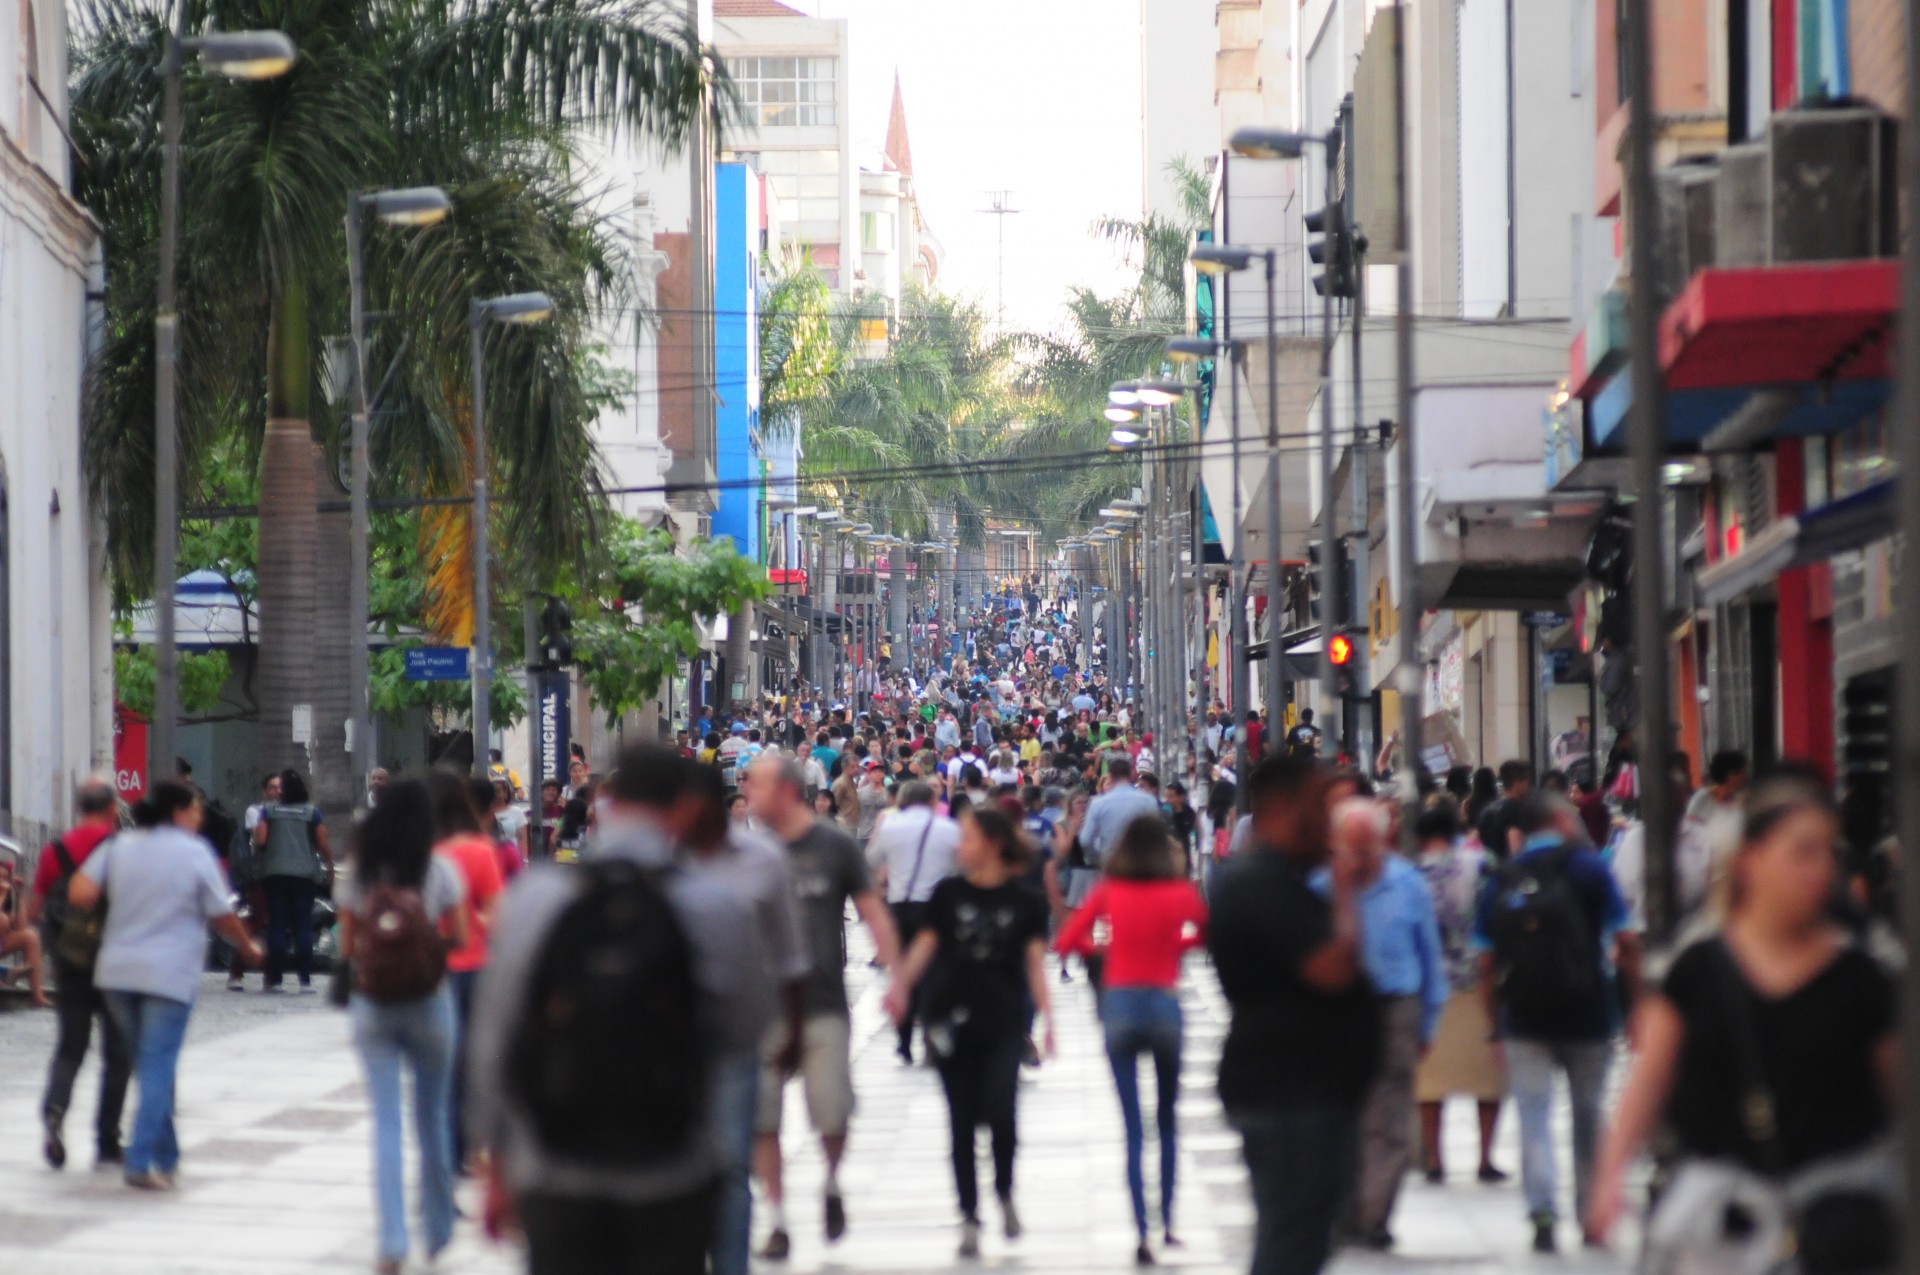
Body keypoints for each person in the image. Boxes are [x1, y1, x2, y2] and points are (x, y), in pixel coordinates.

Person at [467, 745, 762, 1275]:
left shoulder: (539, 898)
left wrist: (499, 1163)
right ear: (685, 809)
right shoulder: (716, 907)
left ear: (609, 804)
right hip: (672, 1169)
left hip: (557, 1168)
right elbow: (744, 1034)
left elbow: (495, 1038)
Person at [1587, 774, 1898, 1256]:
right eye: (1802, 852)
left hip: (1841, 1221)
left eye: (1826, 852)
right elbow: (1649, 1077)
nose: (1819, 870)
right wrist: (1610, 1177)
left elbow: (1898, 1087)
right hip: (1723, 1225)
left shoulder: (1862, 972)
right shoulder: (1695, 967)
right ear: (1751, 859)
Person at [1206, 757, 1378, 1275]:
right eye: (1325, 807)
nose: (1334, 823)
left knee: (1304, 1240)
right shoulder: (1259, 883)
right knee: (1290, 1242)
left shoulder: (1284, 880)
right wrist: (1348, 886)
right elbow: (1332, 969)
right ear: (1283, 808)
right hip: (1289, 1091)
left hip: (1308, 1088)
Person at [67, 781, 262, 1189]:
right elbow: (222, 915)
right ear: (176, 811)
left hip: (118, 972)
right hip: (169, 975)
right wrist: (247, 946)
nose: (199, 817)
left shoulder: (118, 847)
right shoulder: (194, 853)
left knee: (148, 1064)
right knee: (157, 1065)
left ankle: (167, 1156)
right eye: (194, 810)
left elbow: (80, 891)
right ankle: (140, 1162)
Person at [744, 754, 900, 1260]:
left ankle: (831, 1183)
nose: (747, 796)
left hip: (824, 1001)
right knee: (762, 1118)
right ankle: (778, 1218)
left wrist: (896, 980)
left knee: (831, 1109)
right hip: (762, 1009)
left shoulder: (832, 846)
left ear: (787, 791)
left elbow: (872, 913)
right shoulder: (747, 852)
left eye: (758, 786)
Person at [886, 806, 1055, 1260]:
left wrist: (1049, 1019)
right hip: (950, 1019)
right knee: (960, 1121)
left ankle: (1003, 1190)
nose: (959, 846)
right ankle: (969, 1217)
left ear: (993, 844)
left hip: (1003, 1022)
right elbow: (925, 945)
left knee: (1002, 1112)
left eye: (967, 837)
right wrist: (900, 986)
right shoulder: (947, 894)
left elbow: (1036, 962)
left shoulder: (1025, 902)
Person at [1474, 792, 1637, 1253]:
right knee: (1588, 1116)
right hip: (1588, 1013)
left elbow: (1485, 960)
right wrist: (1636, 1006)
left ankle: (1542, 1211)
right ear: (1563, 823)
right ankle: (1591, 1215)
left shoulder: (1504, 876)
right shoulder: (1589, 868)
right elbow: (1625, 938)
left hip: (1523, 1016)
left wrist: (1495, 1022)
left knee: (1534, 1114)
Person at [1054, 815, 1207, 1265]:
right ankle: (1169, 1223)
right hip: (1163, 1003)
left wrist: (1106, 951)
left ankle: (1141, 1231)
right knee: (1167, 1120)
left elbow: (1066, 941)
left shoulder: (1108, 891)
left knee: (1132, 1128)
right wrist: (1175, 949)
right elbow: (1205, 932)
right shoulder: (1179, 893)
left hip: (1119, 1004)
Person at [678, 760, 811, 1275]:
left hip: (736, 1036)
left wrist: (792, 1032)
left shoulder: (762, 859)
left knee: (733, 1160)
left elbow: (789, 957)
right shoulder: (659, 862)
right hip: (668, 1039)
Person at [336, 779, 470, 1275]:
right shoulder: (440, 870)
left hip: (374, 1005)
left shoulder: (361, 872)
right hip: (430, 1001)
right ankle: (437, 1231)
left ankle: (392, 1238)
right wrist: (425, 949)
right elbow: (459, 935)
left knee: (387, 1122)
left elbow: (347, 947)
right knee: (432, 1119)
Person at [1313, 799, 1447, 1251]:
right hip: (1335, 1010)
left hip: (1395, 1008)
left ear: (1382, 843)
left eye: (1366, 851)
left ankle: (1372, 1216)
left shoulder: (1408, 884)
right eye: (1349, 851)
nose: (1359, 861)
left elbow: (1430, 958)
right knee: (1338, 1112)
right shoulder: (1318, 889)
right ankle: (1345, 1209)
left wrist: (1428, 1022)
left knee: (1388, 1117)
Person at [29, 777, 132, 1168]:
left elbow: (36, 909)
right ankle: (108, 1139)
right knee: (117, 1052)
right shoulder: (121, 849)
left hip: (71, 963)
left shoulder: (56, 851)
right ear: (111, 811)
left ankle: (55, 1110)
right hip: (116, 962)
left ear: (78, 809)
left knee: (71, 1045)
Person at [1410, 803, 1507, 1186]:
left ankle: (1435, 1158)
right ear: (1455, 832)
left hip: (1428, 987)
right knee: (1488, 1076)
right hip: (1482, 981)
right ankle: (1485, 1158)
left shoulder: (1412, 873)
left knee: (1430, 1080)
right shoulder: (1482, 865)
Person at [430, 770, 506, 1173]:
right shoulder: (479, 850)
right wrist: (472, 920)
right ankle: (465, 1147)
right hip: (473, 966)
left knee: (437, 1066)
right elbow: (496, 915)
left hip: (432, 968)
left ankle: (442, 1151)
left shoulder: (428, 851)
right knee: (470, 1064)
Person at [866, 781, 961, 1063]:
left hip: (899, 907)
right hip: (935, 909)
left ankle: (904, 1040)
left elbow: (871, 860)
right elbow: (960, 867)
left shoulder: (890, 827)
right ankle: (932, 1036)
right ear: (933, 801)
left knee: (903, 974)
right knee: (934, 974)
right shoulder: (949, 828)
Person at [251, 769, 334, 993]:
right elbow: (323, 844)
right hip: (304, 875)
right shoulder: (311, 813)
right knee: (303, 926)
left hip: (274, 873)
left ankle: (276, 980)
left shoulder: (269, 811)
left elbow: (260, 839)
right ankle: (304, 980)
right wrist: (330, 869)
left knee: (277, 924)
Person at [1080, 756, 1161, 869]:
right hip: (1141, 863)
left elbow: (1085, 840)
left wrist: (1098, 857)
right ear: (1131, 774)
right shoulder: (1148, 801)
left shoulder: (1098, 804)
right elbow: (1157, 835)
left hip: (1110, 863)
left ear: (1111, 777)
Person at [1473, 760, 1533, 860]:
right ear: (1517, 783)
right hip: (1507, 869)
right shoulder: (1515, 810)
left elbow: (1475, 839)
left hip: (1488, 867)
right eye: (1527, 782)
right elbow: (1515, 847)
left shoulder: (1488, 809)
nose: (1529, 786)